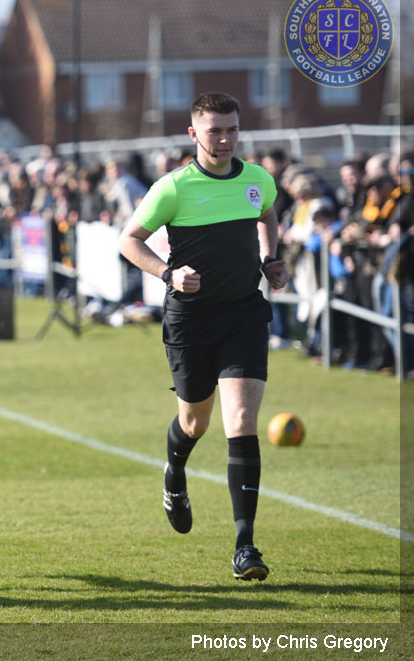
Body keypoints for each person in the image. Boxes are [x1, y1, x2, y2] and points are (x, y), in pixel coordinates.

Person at [117, 92, 289, 581]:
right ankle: (174, 474)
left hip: (243, 315)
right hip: (190, 321)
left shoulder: (257, 179)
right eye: (215, 131)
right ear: (194, 134)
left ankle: (245, 546)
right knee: (194, 424)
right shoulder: (173, 188)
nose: (226, 139)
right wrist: (168, 274)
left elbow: (268, 213)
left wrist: (270, 259)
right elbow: (128, 240)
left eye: (233, 129)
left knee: (241, 420)